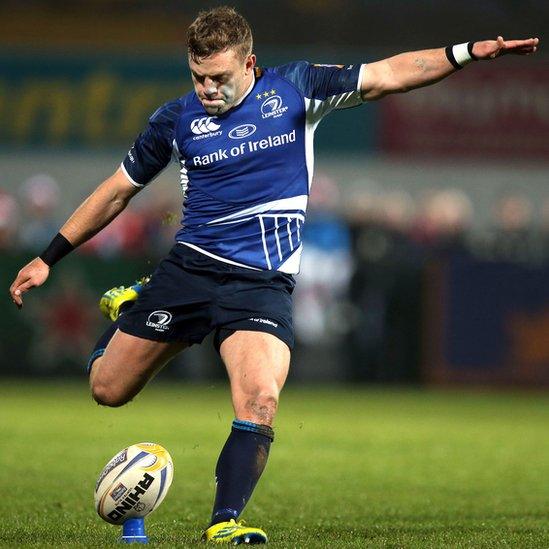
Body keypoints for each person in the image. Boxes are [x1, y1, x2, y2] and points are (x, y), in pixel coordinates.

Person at [9, 6, 539, 544]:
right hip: (189, 272)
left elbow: (390, 73)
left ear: (251, 63)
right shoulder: (174, 120)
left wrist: (467, 52)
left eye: (219, 77)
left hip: (260, 286)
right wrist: (49, 256)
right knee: (107, 389)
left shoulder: (296, 89)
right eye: (198, 77)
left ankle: (224, 522)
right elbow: (119, 189)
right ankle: (130, 308)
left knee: (260, 398)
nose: (208, 89)